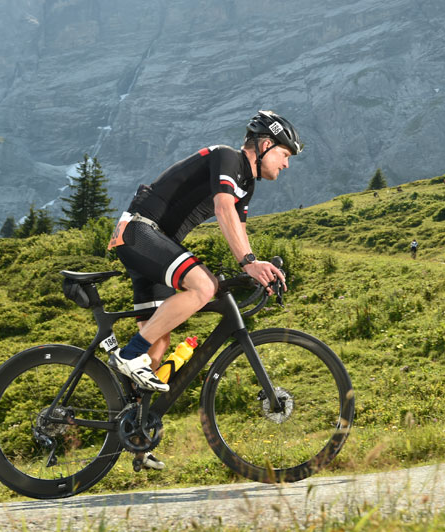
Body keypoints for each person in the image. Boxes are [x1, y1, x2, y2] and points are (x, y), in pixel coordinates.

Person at [106, 110, 300, 468]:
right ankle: (128, 353)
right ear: (266, 144)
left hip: (150, 241)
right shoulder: (229, 157)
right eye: (285, 155)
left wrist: (253, 268)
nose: (287, 164)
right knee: (203, 285)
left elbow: (236, 229)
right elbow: (222, 207)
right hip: (141, 232)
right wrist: (249, 262)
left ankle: (136, 437)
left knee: (158, 342)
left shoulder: (248, 183)